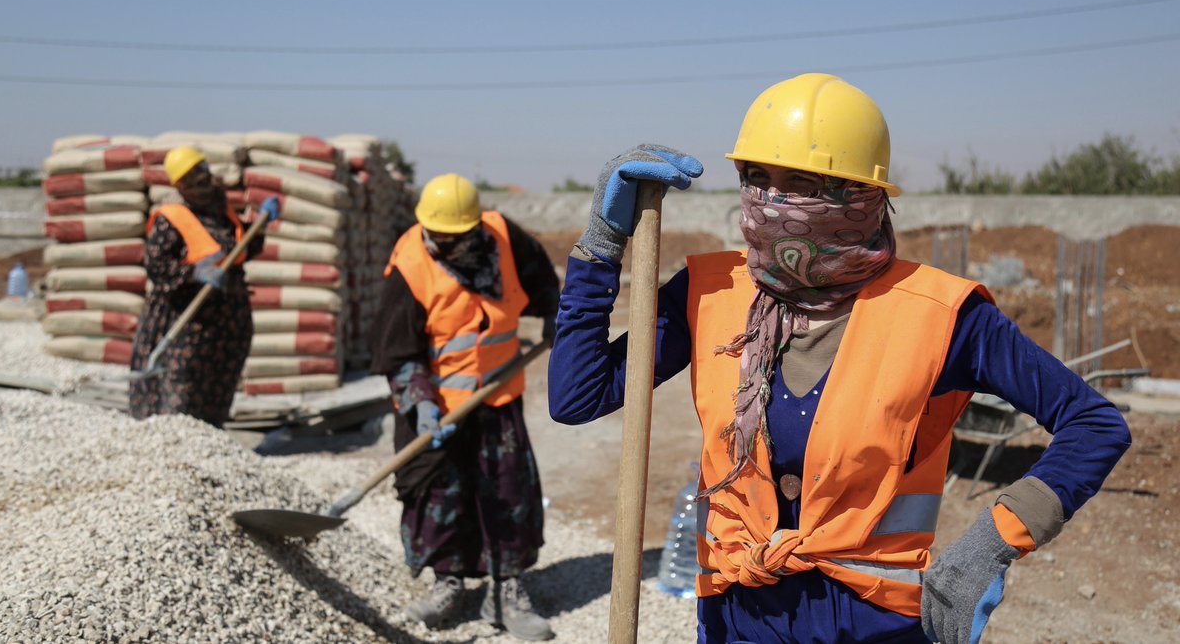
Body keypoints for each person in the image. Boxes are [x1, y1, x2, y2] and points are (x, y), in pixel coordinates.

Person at [547, 73, 1131, 643]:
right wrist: (600, 245)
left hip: (874, 621)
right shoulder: (709, 291)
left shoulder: (943, 315)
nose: (773, 201)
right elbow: (578, 396)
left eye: (800, 183)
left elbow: (1093, 424)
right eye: (756, 177)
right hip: (737, 616)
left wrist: (990, 543)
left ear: (860, 195)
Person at [370, 173, 560, 641]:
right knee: (438, 496)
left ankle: (509, 591)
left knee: (508, 492)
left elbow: (546, 285)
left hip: (498, 397)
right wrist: (419, 404)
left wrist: (561, 319)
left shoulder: (504, 238)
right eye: (440, 237)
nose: (448, 245)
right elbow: (397, 350)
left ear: (475, 228)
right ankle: (447, 586)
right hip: (436, 408)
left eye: (458, 237)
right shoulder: (411, 263)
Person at [129, 146, 279, 428]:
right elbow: (157, 267)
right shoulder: (171, 217)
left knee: (216, 391)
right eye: (190, 178)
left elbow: (243, 247)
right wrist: (193, 273)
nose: (200, 181)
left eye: (201, 171)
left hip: (226, 325)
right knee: (181, 392)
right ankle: (171, 447)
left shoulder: (222, 210)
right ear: (179, 185)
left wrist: (260, 223)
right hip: (186, 322)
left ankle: (210, 444)